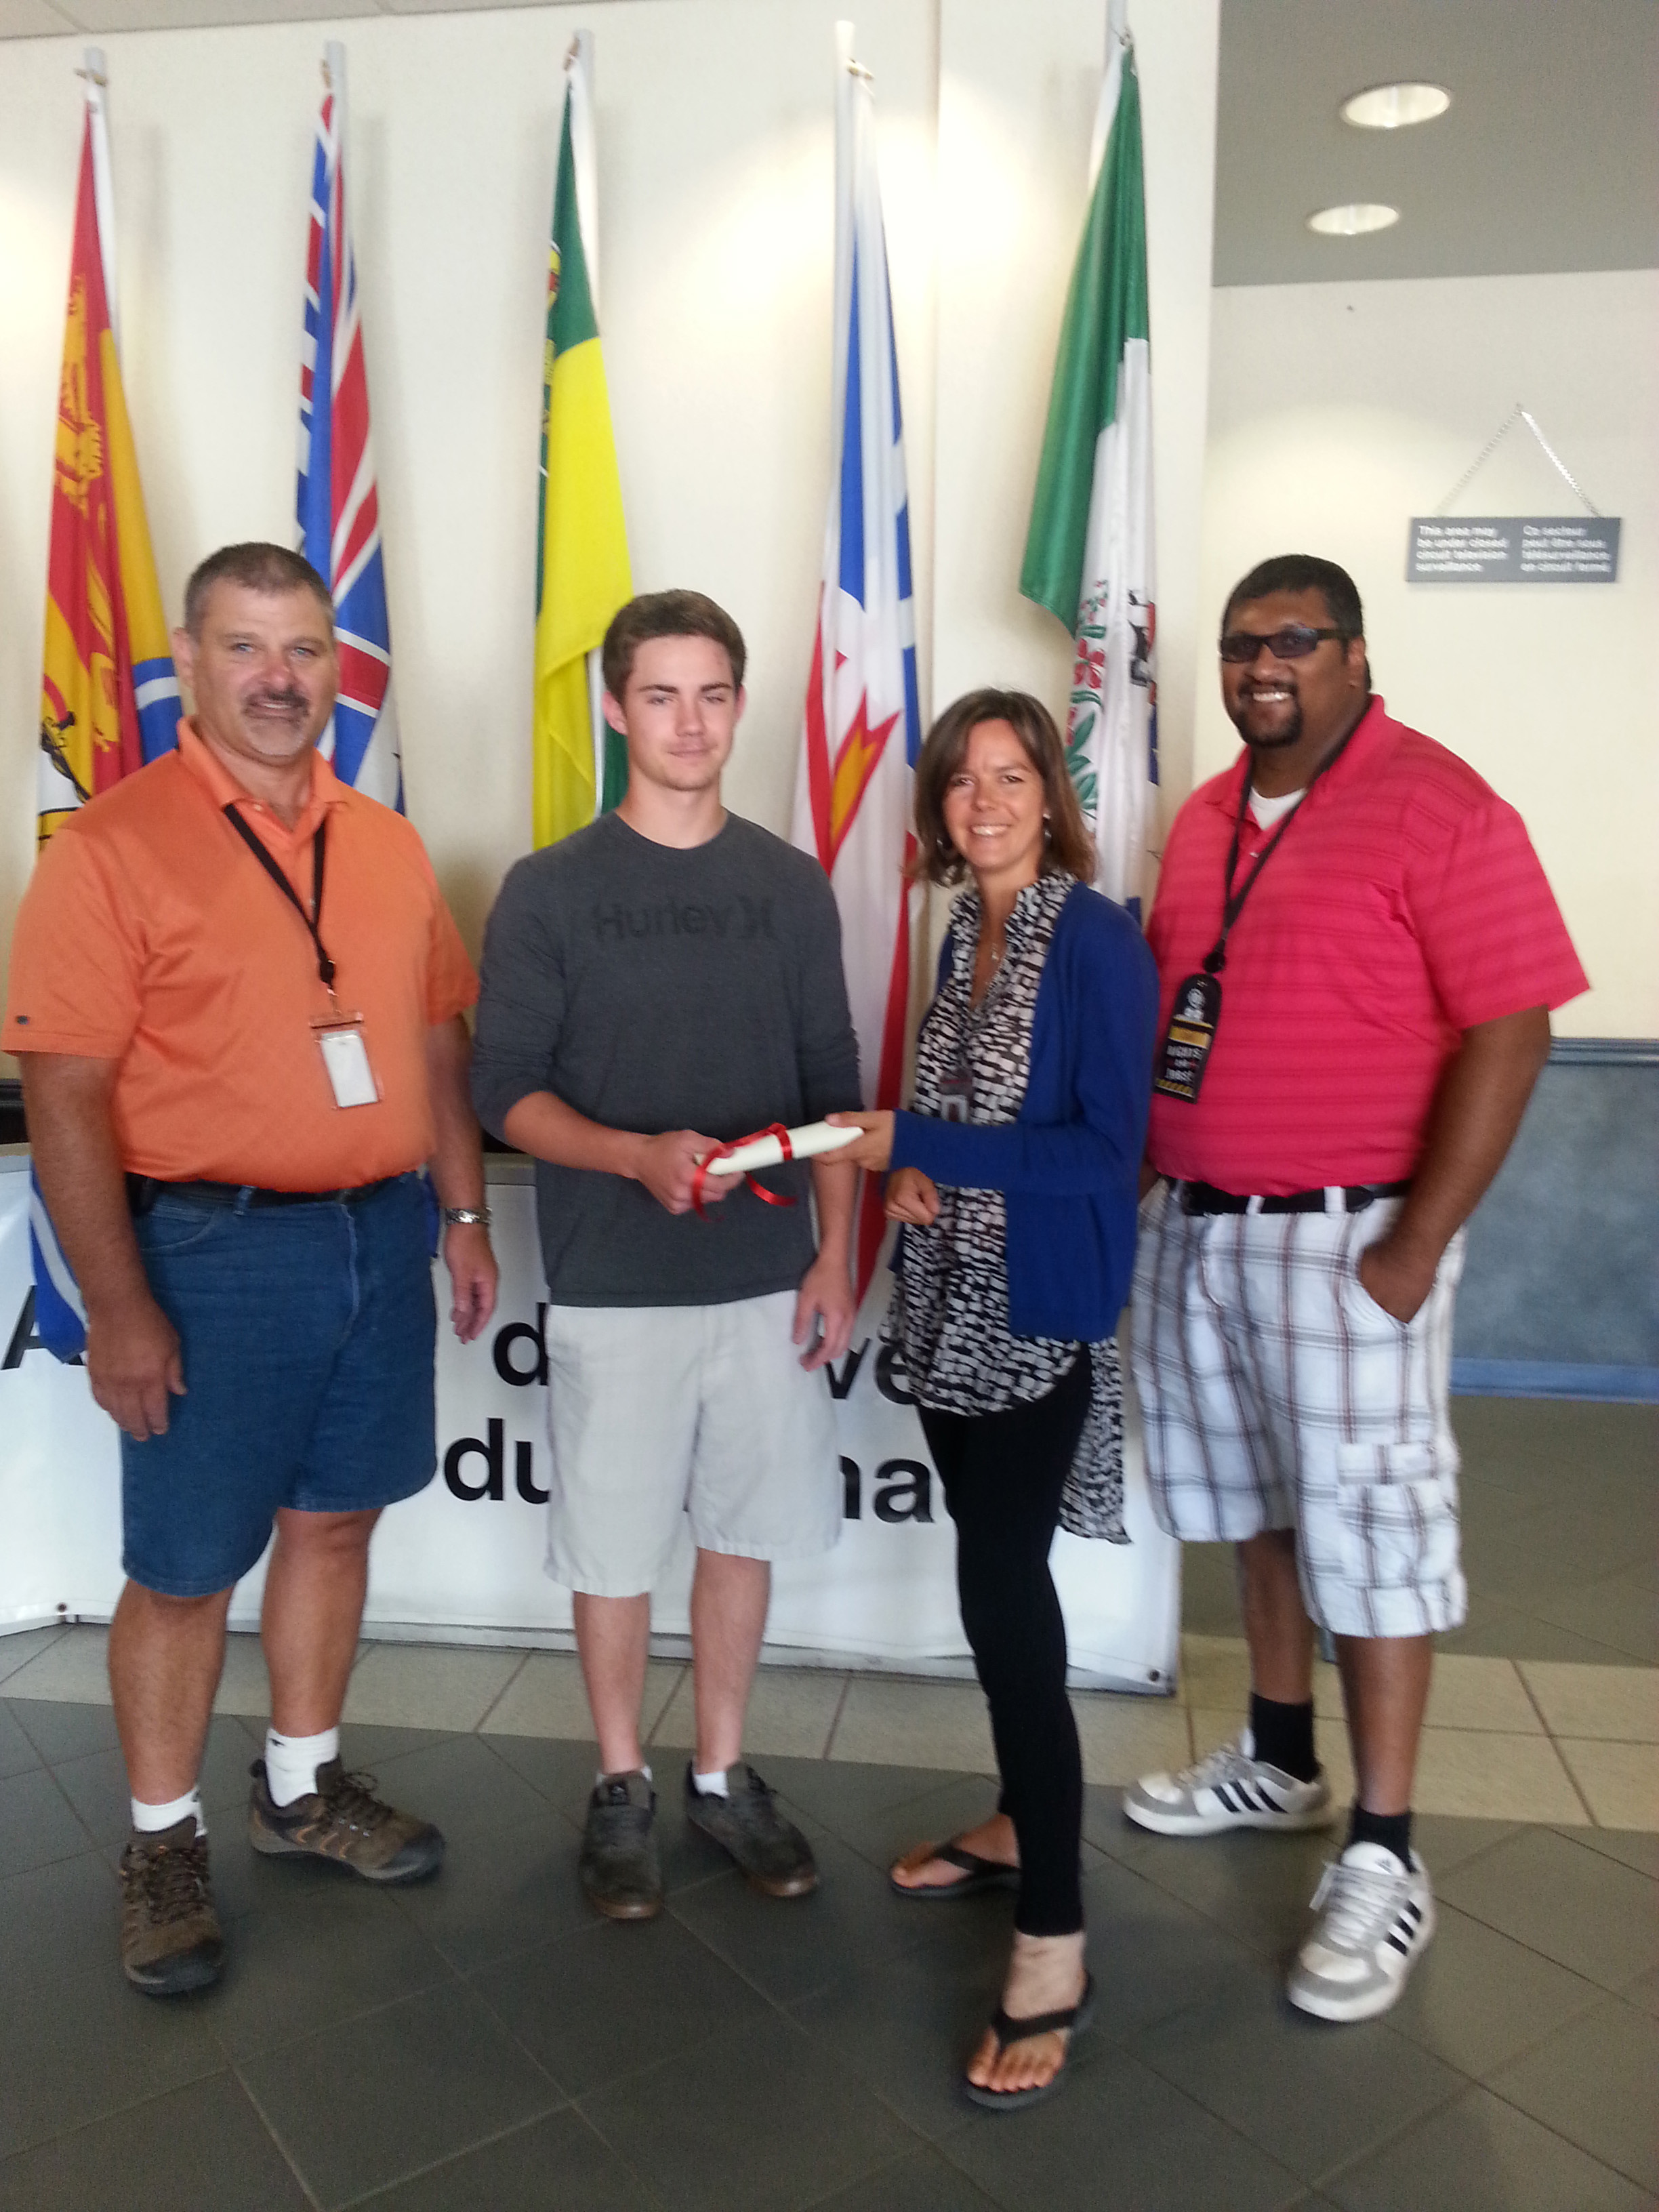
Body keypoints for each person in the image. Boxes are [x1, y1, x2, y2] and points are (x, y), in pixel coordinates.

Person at [4, 542, 498, 1997]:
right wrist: (121, 1303)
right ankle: (163, 1844)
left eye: (303, 651)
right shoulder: (110, 846)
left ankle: (302, 1788)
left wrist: (463, 1219)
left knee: (337, 1523)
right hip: (207, 1252)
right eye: (246, 650)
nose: (281, 680)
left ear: (335, 667)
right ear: (189, 659)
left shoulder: (390, 842)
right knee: (182, 1570)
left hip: (381, 1231)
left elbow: (431, 1043)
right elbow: (67, 1090)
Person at [1124, 554, 1587, 2022]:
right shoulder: (1202, 821)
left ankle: (1386, 1851)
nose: (1262, 666)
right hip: (1199, 1234)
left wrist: (1411, 1249)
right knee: (1260, 1512)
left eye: (1293, 642)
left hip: (1353, 1244)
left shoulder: (1442, 804)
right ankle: (1280, 1757)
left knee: (1375, 1537)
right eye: (1239, 644)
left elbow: (1514, 1033)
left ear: (1354, 652)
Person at [470, 588, 859, 1922]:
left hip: (766, 1282)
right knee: (616, 1548)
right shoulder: (550, 892)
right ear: (616, 708)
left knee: (742, 1537)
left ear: (740, 706)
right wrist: (635, 1156)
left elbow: (837, 1094)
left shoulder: (791, 885)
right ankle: (624, 1780)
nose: (688, 722)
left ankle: (725, 1768)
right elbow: (504, 1091)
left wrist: (836, 1257)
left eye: (711, 694)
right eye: (660, 695)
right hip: (612, 1285)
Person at [829, 689, 1158, 2108]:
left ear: (1051, 793)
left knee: (1003, 1599)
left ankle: (1056, 1931)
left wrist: (925, 1139)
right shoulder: (956, 928)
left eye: (1012, 776)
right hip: (946, 1302)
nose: (987, 800)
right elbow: (961, 1121)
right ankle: (1025, 1820)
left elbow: (1101, 1153)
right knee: (992, 1577)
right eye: (963, 781)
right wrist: (914, 1171)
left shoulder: (1095, 937)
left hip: (1032, 1316)